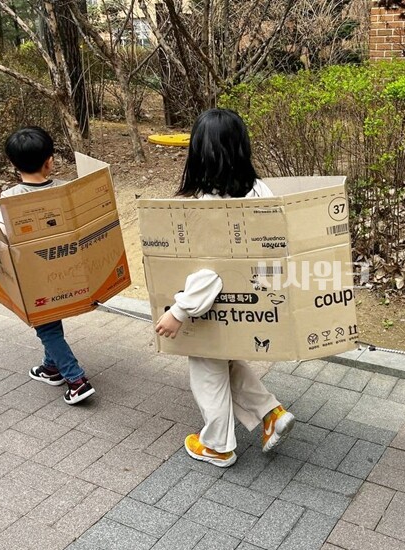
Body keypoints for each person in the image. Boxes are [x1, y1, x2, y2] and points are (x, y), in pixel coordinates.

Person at [154, 108, 295, 468]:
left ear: (199, 152)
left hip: (211, 308)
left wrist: (179, 311)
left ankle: (217, 445)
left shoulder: (207, 205)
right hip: (252, 301)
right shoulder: (260, 190)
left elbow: (211, 271)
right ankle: (270, 413)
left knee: (207, 371)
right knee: (228, 357)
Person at [0, 127, 95, 405]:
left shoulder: (10, 200)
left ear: (13, 165)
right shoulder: (66, 190)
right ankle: (51, 368)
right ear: (50, 160)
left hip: (33, 280)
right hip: (68, 272)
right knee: (50, 320)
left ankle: (76, 379)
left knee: (47, 327)